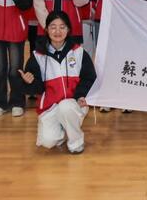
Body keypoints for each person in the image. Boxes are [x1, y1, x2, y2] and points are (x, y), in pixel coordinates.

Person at [19, 11, 96, 154]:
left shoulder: (79, 52)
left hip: (74, 103)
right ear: (46, 30)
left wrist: (80, 95)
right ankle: (62, 130)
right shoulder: (38, 56)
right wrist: (29, 82)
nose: (58, 31)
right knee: (48, 141)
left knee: (66, 107)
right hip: (50, 107)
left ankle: (76, 142)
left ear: (68, 29)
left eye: (62, 27)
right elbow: (37, 88)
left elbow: (89, 78)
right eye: (53, 27)